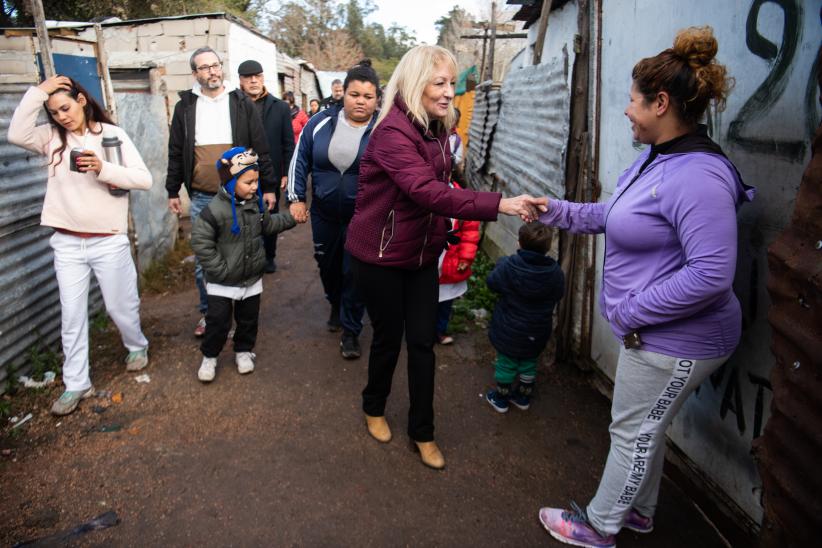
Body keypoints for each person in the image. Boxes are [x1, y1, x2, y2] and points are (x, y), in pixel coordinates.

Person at [536, 27, 753, 548]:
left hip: (677, 340)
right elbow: (614, 216)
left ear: (660, 103)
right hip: (656, 334)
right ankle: (639, 511)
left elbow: (710, 274)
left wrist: (631, 312)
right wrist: (555, 210)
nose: (627, 112)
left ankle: (599, 525)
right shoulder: (659, 158)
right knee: (642, 428)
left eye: (633, 102)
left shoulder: (697, 175)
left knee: (631, 432)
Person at [345, 45, 547, 470]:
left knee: (422, 343)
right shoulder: (392, 134)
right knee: (387, 339)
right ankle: (373, 405)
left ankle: (423, 430)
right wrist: (502, 204)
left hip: (420, 255)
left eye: (451, 83)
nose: (448, 92)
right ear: (416, 82)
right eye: (439, 82)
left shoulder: (436, 128)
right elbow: (427, 192)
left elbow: (444, 184)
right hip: (379, 257)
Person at [7, 75, 152, 415]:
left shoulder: (112, 135)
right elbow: (15, 133)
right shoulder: (50, 138)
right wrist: (39, 91)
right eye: (54, 111)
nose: (62, 116)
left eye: (66, 107)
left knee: (121, 307)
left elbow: (143, 179)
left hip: (108, 240)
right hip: (67, 243)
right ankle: (76, 383)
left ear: (82, 101)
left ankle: (136, 345)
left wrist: (103, 168)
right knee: (71, 316)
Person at [166, 46, 277, 337]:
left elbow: (260, 146)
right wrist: (172, 190)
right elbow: (176, 151)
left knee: (240, 256)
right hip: (203, 196)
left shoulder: (241, 103)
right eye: (205, 67)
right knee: (206, 260)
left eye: (215, 65)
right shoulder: (185, 107)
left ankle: (240, 318)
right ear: (195, 73)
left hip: (240, 197)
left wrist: (267, 185)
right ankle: (210, 316)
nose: (212, 71)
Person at [287, 60, 380, 359]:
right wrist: (296, 197)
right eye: (355, 94)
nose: (361, 102)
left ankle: (351, 330)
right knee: (327, 266)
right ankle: (335, 304)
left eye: (368, 96)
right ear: (344, 94)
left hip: (363, 218)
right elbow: (300, 159)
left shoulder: (383, 130)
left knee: (355, 272)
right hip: (324, 215)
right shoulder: (320, 122)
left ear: (377, 98)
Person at [190, 148, 296, 382]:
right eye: (248, 182)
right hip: (222, 282)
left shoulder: (255, 204)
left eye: (256, 181)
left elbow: (267, 225)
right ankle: (209, 356)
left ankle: (243, 350)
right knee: (217, 321)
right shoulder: (214, 211)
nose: (253, 186)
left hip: (250, 279)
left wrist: (291, 218)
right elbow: (201, 242)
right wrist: (220, 270)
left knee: (248, 320)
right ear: (230, 181)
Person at [484, 222, 564, 413]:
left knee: (507, 362)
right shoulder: (555, 273)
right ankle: (522, 397)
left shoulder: (509, 266)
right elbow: (558, 293)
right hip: (537, 329)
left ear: (519, 243)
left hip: (509, 328)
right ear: (548, 247)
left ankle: (501, 399)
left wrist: (502, 266)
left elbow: (492, 283)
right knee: (529, 361)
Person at [237, 59, 295, 273]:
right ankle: (249, 257)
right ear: (241, 81)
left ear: (262, 78)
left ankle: (269, 256)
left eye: (257, 76)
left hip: (270, 173)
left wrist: (286, 172)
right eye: (248, 77)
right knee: (243, 216)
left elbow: (289, 144)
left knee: (268, 216)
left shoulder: (279, 107)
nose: (253, 81)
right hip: (241, 173)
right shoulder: (235, 106)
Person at [434, 179, 479, 346]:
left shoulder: (462, 199)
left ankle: (439, 330)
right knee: (422, 298)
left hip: (450, 260)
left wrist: (465, 258)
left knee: (445, 300)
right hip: (427, 259)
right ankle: (421, 330)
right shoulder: (420, 191)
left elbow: (470, 232)